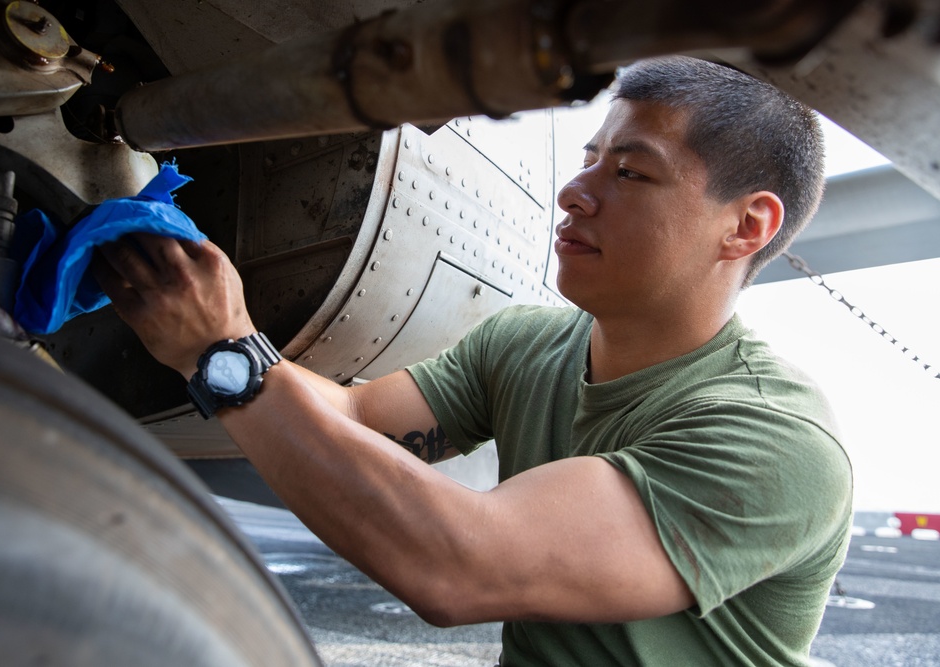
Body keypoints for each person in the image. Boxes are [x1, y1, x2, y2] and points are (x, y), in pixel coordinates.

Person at [94, 56, 853, 666]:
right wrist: (191, 299)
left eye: (630, 172)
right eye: (589, 159)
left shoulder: (774, 439)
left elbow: (462, 566)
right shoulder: (526, 342)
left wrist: (223, 354)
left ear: (747, 224)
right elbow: (356, 419)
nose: (573, 191)